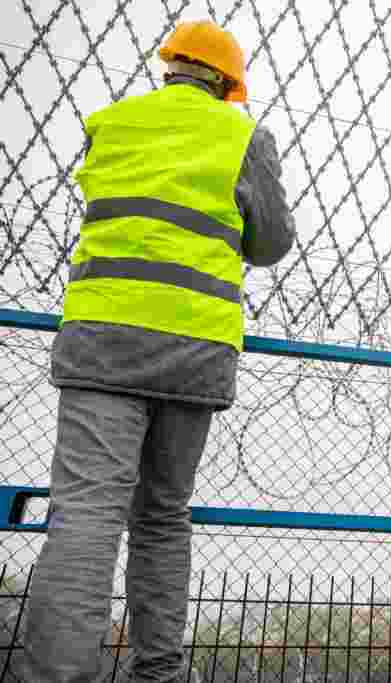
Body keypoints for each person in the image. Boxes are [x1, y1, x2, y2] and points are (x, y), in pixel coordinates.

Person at [21, 19, 295, 682]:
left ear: (168, 64)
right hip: (192, 350)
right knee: (163, 516)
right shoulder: (243, 135)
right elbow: (271, 242)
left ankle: (59, 673)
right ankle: (159, 671)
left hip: (105, 340)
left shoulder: (111, 121)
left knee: (86, 512)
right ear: (230, 84)